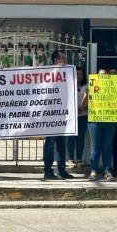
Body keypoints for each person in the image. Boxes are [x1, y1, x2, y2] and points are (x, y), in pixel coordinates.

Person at [42, 51, 73, 180]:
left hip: (63, 114)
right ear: (55, 60)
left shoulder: (68, 74)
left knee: (61, 143)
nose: (65, 60)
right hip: (51, 114)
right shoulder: (47, 73)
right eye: (62, 58)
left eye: (65, 58)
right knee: (50, 142)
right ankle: (47, 171)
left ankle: (61, 170)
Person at [87, 69, 117, 181]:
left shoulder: (114, 88)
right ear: (97, 77)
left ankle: (107, 171)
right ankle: (93, 171)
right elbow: (84, 104)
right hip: (95, 121)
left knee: (107, 147)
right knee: (95, 147)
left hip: (110, 121)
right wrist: (87, 94)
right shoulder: (91, 88)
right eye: (101, 76)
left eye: (105, 76)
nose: (103, 77)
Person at [66, 67, 88, 169]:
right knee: (70, 138)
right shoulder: (68, 85)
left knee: (80, 138)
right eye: (77, 74)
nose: (79, 76)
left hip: (83, 115)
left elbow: (90, 100)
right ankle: (70, 159)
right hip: (71, 116)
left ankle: (79, 158)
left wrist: (83, 108)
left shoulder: (86, 86)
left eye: (81, 74)